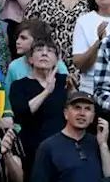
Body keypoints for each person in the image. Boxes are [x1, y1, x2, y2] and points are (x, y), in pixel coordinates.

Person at [7, 37, 67, 171]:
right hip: (33, 149)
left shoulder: (65, 82)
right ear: (30, 59)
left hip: (63, 148)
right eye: (39, 50)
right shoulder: (19, 85)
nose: (44, 53)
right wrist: (46, 91)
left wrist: (73, 91)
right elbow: (21, 115)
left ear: (57, 61)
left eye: (50, 51)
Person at [29, 92, 110, 182]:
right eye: (77, 107)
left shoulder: (98, 143)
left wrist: (103, 145)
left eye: (87, 109)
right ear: (66, 113)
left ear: (93, 117)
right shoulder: (48, 146)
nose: (82, 113)